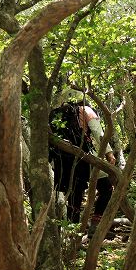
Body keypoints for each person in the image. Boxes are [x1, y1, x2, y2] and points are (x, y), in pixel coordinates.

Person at [48, 89, 116, 224]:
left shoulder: (55, 115)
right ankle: (96, 223)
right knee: (106, 188)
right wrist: (109, 153)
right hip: (86, 158)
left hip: (63, 160)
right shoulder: (85, 110)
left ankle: (73, 232)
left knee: (74, 195)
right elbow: (98, 132)